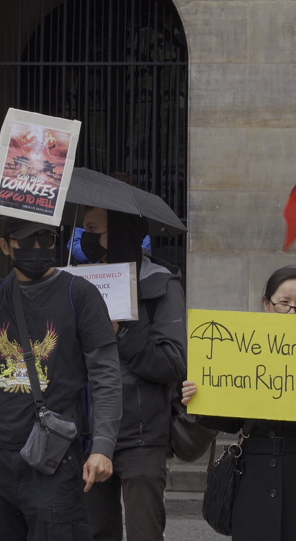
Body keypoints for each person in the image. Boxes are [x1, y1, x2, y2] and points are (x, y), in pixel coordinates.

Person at [0, 199, 122, 541]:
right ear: (6, 246)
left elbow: (106, 377)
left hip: (52, 458)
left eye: (46, 239)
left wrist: (102, 446)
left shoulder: (80, 294)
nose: (38, 247)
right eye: (26, 240)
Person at [181, 266, 296, 541]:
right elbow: (233, 420)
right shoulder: (243, 347)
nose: (291, 312)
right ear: (267, 304)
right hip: (256, 477)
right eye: (283, 303)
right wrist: (201, 401)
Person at [76, 205, 187, 541]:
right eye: (85, 229)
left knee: (144, 532)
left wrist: (121, 332)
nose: (87, 237)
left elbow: (173, 363)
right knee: (96, 531)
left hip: (141, 435)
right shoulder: (80, 283)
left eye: (94, 229)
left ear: (121, 233)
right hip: (87, 432)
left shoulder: (160, 284)